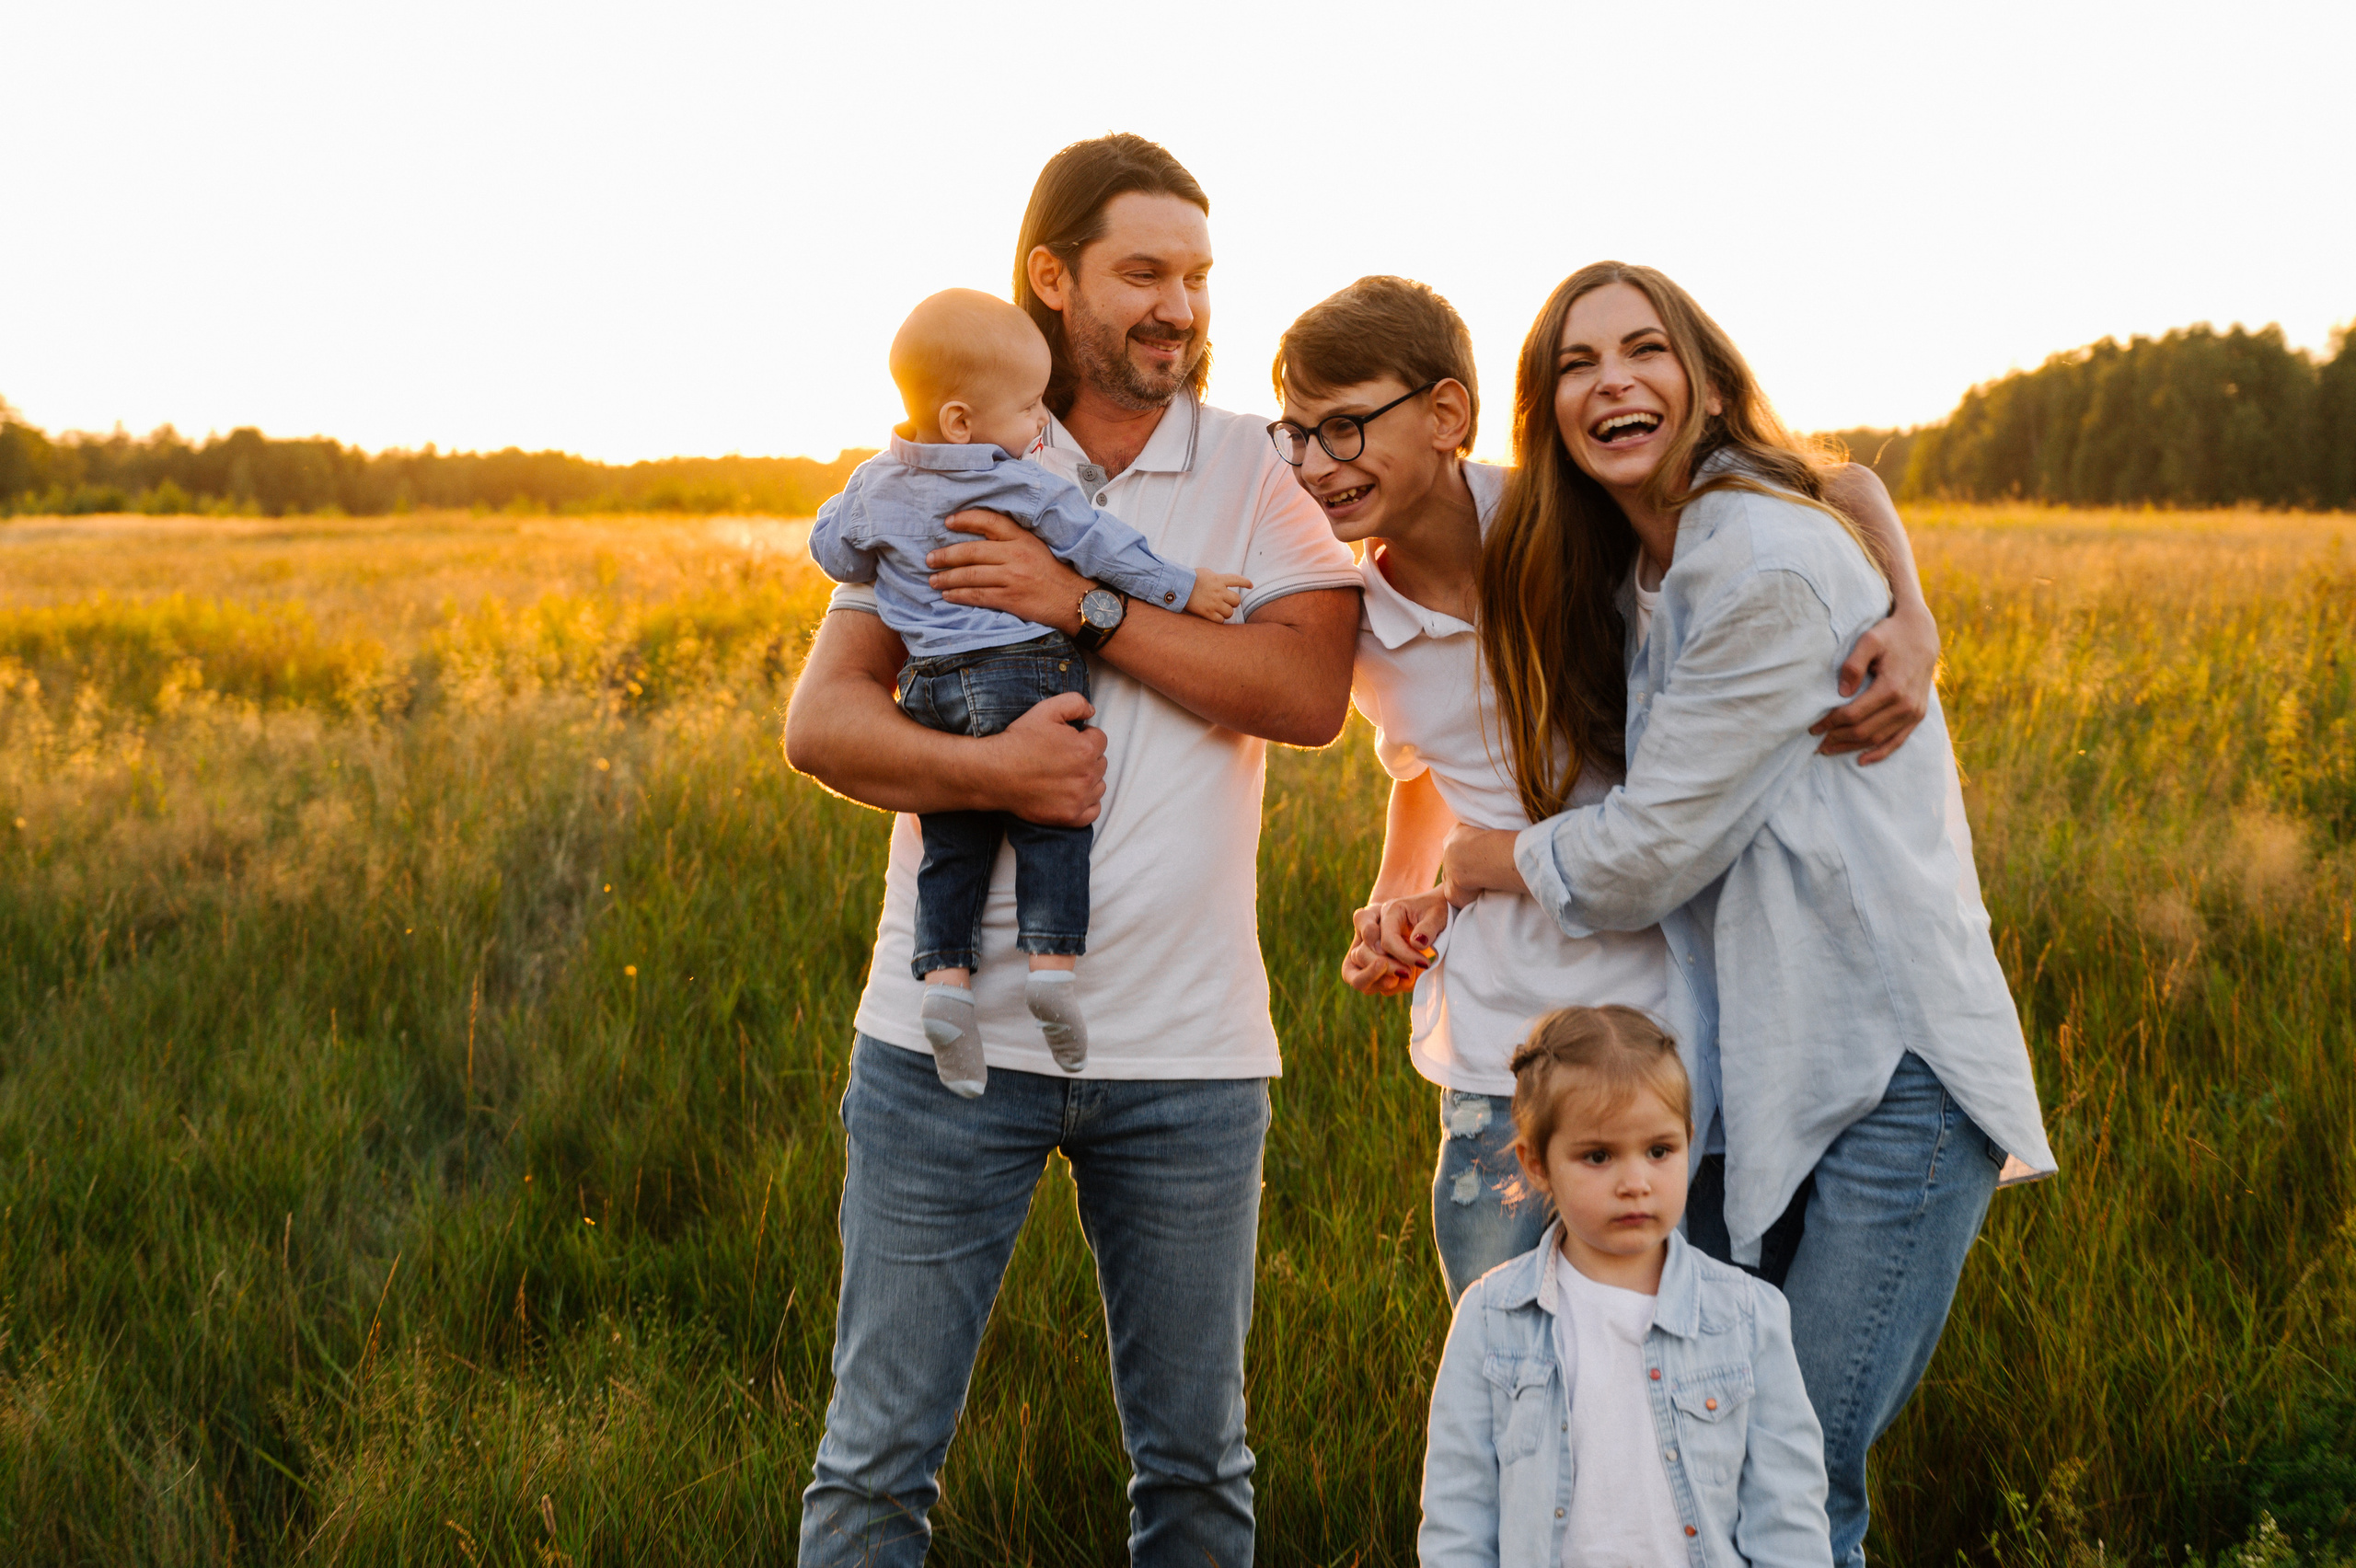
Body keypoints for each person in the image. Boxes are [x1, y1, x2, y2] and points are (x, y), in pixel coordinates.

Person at [781, 133, 1362, 1565]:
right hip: (938, 1049)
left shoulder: (1254, 473)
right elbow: (824, 725)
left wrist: (1081, 604)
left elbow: (1304, 696)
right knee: (872, 1470)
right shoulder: (937, 469)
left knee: (1197, 1476)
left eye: (1198, 277)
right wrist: (994, 770)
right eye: (1143, 273)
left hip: (1188, 1061)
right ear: (1054, 277)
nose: (1180, 307)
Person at [1436, 261, 2058, 1566]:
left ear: (1708, 385)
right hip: (1778, 1063)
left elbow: (1650, 852)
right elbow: (1850, 479)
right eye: (1575, 364)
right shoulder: (1656, 562)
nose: (1612, 381)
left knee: (1789, 1465)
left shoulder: (1760, 563)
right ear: (1547, 414)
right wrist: (1913, 592)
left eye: (1645, 351)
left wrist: (1483, 860)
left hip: (1894, 1071)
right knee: (1715, 1464)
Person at [1270, 276, 1943, 1301]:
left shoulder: (1569, 519)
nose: (1318, 464)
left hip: (1661, 1040)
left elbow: (1828, 486)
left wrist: (1912, 613)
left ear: (1448, 416)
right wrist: (1396, 898)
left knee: (1669, 1383)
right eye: (1298, 435)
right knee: (1509, 1377)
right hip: (1496, 1065)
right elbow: (1431, 771)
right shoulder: (1353, 622)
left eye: (1347, 427)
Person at [808, 287, 1252, 1095]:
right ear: (959, 423)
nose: (1039, 425)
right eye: (1025, 409)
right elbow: (1105, 546)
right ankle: (1053, 967)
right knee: (1055, 817)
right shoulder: (1022, 483)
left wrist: (867, 494)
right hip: (1023, 672)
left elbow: (835, 552)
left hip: (933, 691)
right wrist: (1186, 589)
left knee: (953, 843)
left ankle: (946, 985)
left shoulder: (876, 483)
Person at [1419, 1004, 1831, 1568]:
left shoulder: (1748, 1317)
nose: (1635, 1183)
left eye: (1659, 1151)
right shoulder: (1491, 1319)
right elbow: (1457, 1524)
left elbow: (1789, 1524)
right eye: (1598, 1156)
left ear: (1688, 1143)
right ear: (1536, 1164)